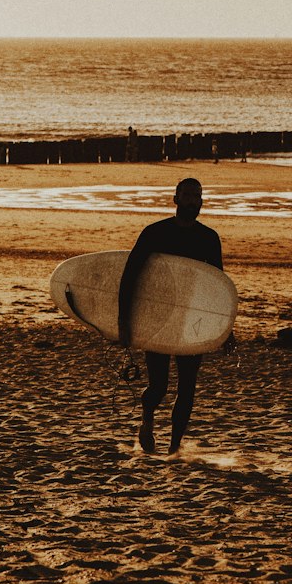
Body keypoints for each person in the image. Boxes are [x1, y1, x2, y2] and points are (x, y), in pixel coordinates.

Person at [118, 177, 226, 455]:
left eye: (196, 196)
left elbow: (217, 287)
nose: (192, 201)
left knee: (188, 387)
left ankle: (174, 448)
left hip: (192, 321)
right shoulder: (155, 233)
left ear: (202, 202)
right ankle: (147, 418)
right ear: (175, 199)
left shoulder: (209, 238)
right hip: (159, 318)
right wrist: (124, 321)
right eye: (186, 195)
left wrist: (225, 329)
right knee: (159, 387)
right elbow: (131, 276)